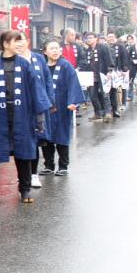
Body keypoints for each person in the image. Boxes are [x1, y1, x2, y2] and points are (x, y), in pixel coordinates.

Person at [0, 31, 51, 206]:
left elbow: (36, 91)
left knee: (24, 153)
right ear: (5, 44)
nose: (20, 44)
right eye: (16, 41)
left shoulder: (25, 64)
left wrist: (40, 118)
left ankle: (25, 189)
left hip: (22, 114)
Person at [40, 40, 85, 175]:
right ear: (45, 52)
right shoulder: (41, 66)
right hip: (45, 106)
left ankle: (63, 165)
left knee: (61, 135)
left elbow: (73, 83)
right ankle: (48, 165)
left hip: (62, 105)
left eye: (57, 48)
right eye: (51, 48)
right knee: (46, 136)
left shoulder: (66, 66)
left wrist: (73, 101)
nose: (55, 51)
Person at [19, 44, 55, 188]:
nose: (19, 43)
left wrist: (50, 101)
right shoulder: (12, 60)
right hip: (19, 107)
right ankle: (23, 176)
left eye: (21, 39)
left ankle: (33, 174)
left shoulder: (38, 58)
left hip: (38, 106)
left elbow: (48, 81)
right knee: (21, 142)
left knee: (35, 140)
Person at [81, 33, 114, 122]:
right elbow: (85, 64)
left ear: (96, 39)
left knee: (105, 94)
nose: (89, 39)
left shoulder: (103, 47)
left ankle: (107, 112)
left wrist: (109, 70)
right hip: (91, 76)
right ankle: (98, 112)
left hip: (102, 74)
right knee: (92, 95)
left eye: (91, 38)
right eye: (87, 38)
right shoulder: (87, 50)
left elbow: (108, 59)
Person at [106, 33, 130, 117]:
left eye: (112, 37)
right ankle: (108, 109)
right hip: (107, 71)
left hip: (117, 70)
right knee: (106, 91)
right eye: (109, 37)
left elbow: (125, 58)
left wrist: (124, 69)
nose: (111, 39)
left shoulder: (120, 46)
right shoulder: (104, 46)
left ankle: (119, 106)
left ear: (115, 38)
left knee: (117, 89)